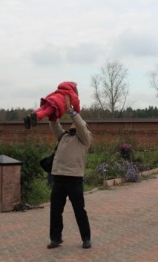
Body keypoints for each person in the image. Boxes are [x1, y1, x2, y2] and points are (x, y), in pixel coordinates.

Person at [47, 95, 92, 249]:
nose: (73, 124)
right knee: (55, 210)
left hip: (74, 178)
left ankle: (86, 238)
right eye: (72, 122)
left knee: (79, 210)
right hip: (59, 177)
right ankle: (56, 238)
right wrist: (52, 115)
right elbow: (54, 126)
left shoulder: (85, 138)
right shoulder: (64, 136)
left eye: (76, 122)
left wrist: (71, 111)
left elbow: (80, 125)